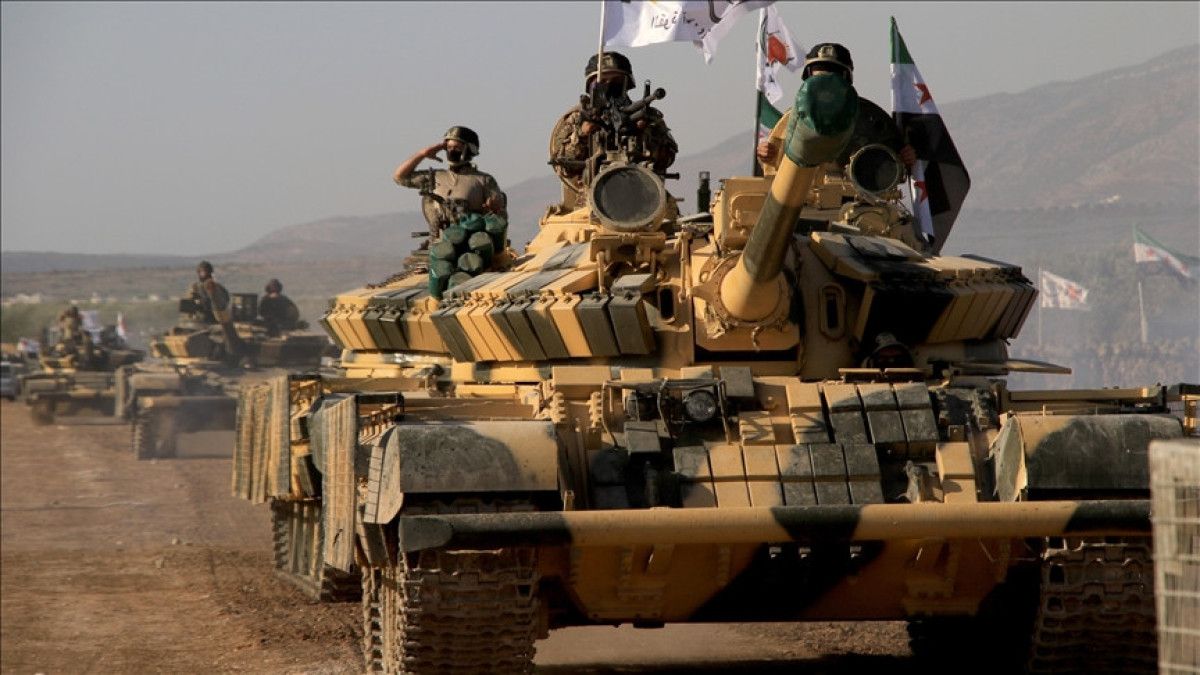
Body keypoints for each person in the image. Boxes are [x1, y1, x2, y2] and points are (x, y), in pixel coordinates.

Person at [756, 43, 916, 174]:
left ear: (846, 78)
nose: (825, 85)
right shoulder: (793, 120)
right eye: (819, 78)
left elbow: (891, 166)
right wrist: (765, 154)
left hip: (857, 200)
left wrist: (906, 157)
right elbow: (775, 163)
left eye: (832, 76)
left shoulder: (870, 120)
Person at [549, 51, 678, 207]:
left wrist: (645, 134)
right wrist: (582, 134)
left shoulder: (645, 116)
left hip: (644, 200)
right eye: (602, 81)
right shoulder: (576, 120)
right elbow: (563, 166)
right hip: (589, 203)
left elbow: (668, 158)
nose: (609, 86)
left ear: (626, 84)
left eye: (616, 81)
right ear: (591, 86)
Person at [393, 126, 507, 241]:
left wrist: (493, 211)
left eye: (457, 147)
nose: (451, 151)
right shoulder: (435, 177)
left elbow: (501, 218)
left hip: (473, 243)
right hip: (439, 244)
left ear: (469, 149)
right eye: (448, 147)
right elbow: (400, 177)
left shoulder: (484, 180)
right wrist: (422, 154)